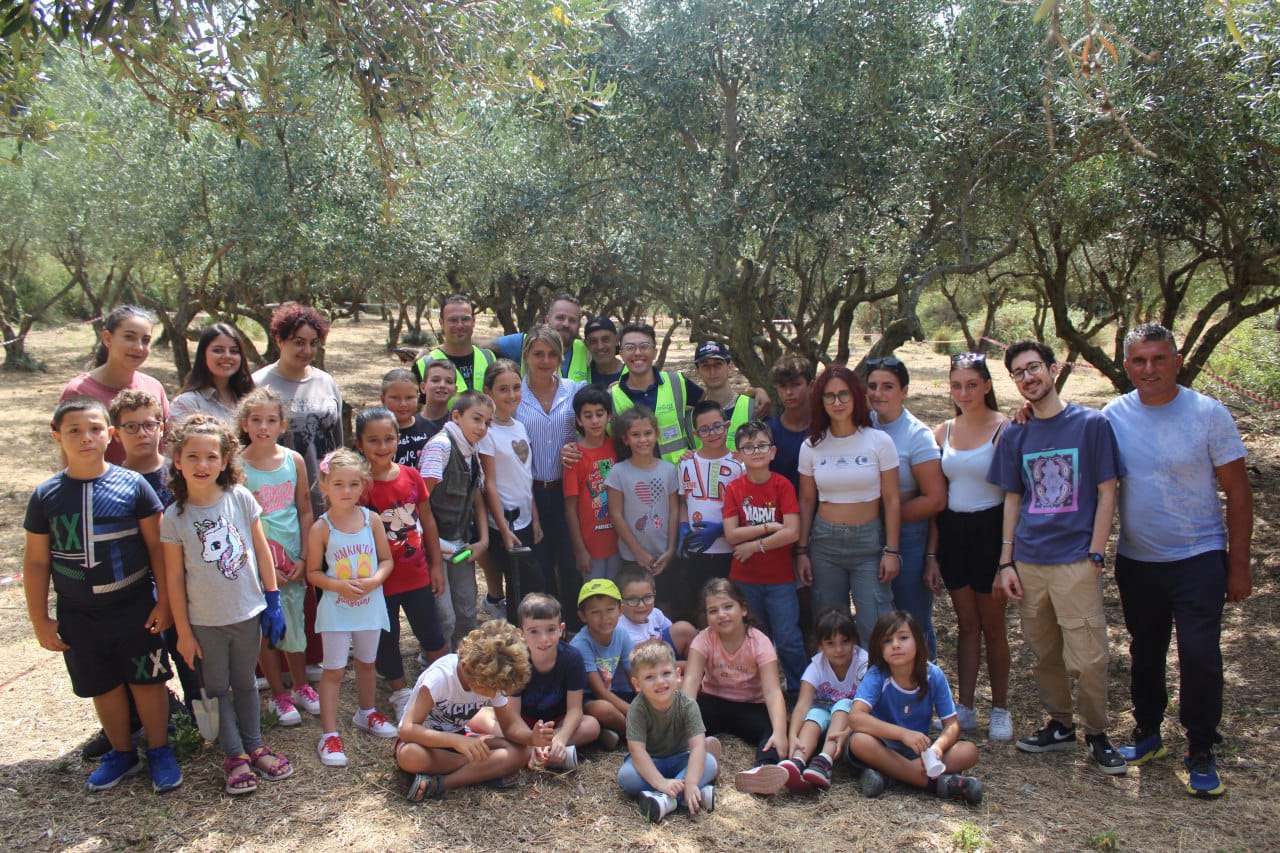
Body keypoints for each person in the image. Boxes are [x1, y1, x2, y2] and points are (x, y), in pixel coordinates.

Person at [1103, 324, 1253, 797]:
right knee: (1145, 651)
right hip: (1138, 559)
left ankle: (1201, 748)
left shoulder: (1208, 414)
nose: (1149, 369)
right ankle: (1148, 732)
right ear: (1127, 365)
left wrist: (1239, 564)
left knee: (1199, 655)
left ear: (1177, 361)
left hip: (1199, 557)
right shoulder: (1112, 416)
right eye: (1139, 360)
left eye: (1159, 358)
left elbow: (1238, 492)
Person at [23, 397, 182, 794]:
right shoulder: (46, 496)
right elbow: (37, 562)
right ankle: (122, 752)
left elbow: (157, 548)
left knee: (147, 680)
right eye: (74, 431)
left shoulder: (133, 486)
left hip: (135, 607)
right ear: (57, 436)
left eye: (95, 429)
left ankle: (159, 750)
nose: (86, 438)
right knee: (103, 685)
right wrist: (40, 619)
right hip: (79, 615)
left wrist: (164, 601)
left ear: (110, 434)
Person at [990, 340, 1126, 774]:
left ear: (1052, 369)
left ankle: (1097, 732)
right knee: (1044, 651)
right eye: (1018, 373)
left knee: (1088, 658)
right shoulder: (1016, 432)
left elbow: (1107, 491)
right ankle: (1061, 725)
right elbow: (1013, 498)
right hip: (1030, 562)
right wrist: (1006, 562)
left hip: (1076, 561)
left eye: (1033, 368)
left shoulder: (1091, 424)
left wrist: (1096, 552)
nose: (1027, 378)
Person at [162, 415, 291, 794]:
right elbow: (174, 579)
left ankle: (256, 746)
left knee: (247, 683)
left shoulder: (240, 498)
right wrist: (183, 633)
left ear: (224, 461)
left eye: (211, 456)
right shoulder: (174, 517)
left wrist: (272, 600)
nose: (202, 464)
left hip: (247, 613)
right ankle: (234, 755)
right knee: (218, 688)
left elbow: (262, 551)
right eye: (193, 456)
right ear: (178, 461)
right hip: (205, 623)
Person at [925, 353, 1012, 741]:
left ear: (987, 386)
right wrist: (932, 554)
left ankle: (1000, 708)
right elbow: (936, 498)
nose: (964, 393)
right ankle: (966, 706)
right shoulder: (942, 432)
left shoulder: (1005, 428)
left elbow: (1015, 493)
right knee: (966, 624)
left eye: (972, 384)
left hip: (991, 531)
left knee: (993, 625)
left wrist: (1007, 557)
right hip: (953, 534)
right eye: (957, 385)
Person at [352, 408, 448, 722]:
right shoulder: (359, 486)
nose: (382, 447)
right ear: (359, 444)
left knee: (431, 632)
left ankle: (444, 688)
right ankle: (399, 692)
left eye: (389, 439)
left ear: (398, 439)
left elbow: (428, 522)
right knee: (387, 638)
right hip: (379, 581)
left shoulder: (412, 476)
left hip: (416, 573)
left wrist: (436, 565)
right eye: (373, 440)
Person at [795, 365, 901, 648]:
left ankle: (875, 677)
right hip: (824, 544)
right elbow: (807, 500)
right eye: (829, 396)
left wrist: (892, 550)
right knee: (830, 628)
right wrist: (802, 551)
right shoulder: (811, 446)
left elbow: (892, 499)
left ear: (856, 396)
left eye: (844, 394)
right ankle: (835, 679)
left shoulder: (879, 441)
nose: (837, 402)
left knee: (876, 625)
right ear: (820, 401)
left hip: (869, 544)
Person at [306, 448, 398, 767]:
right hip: (337, 610)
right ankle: (329, 734)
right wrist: (338, 586)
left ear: (363, 484)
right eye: (339, 484)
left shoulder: (371, 520)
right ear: (324, 485)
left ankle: (366, 712)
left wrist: (375, 581)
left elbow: (386, 560)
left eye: (354, 484)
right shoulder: (321, 528)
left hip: (369, 607)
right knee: (333, 670)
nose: (347, 491)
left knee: (367, 663)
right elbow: (313, 573)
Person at [110, 390, 199, 712]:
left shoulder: (183, 472)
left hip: (189, 582)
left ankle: (200, 714)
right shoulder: (112, 481)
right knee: (146, 662)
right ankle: (159, 715)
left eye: (149, 425)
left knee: (192, 660)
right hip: (139, 589)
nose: (142, 434)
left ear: (162, 427)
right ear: (116, 433)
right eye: (131, 427)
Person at [398, 621, 552, 800]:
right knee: (410, 756)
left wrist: (531, 738)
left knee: (522, 752)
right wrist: (455, 741)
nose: (493, 694)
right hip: (427, 744)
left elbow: (509, 726)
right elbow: (406, 730)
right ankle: (484, 770)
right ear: (471, 669)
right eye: (490, 689)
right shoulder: (440, 677)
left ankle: (441, 784)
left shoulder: (493, 679)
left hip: (461, 742)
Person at [236, 387, 318, 726]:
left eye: (271, 420)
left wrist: (306, 556)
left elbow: (304, 509)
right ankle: (278, 693)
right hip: (258, 564)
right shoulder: (237, 465)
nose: (263, 427)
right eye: (256, 420)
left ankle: (300, 685)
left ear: (282, 425)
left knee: (295, 624)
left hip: (293, 559)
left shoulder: (293, 460)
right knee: (267, 629)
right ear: (244, 424)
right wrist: (260, 567)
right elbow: (238, 521)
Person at [846, 611, 982, 805]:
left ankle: (890, 776)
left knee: (969, 751)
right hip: (883, 747)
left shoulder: (934, 675)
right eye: (887, 641)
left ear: (918, 641)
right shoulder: (877, 675)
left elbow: (951, 724)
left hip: (919, 750)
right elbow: (856, 718)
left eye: (903, 638)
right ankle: (938, 784)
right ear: (879, 648)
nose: (895, 645)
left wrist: (938, 748)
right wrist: (903, 734)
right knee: (859, 741)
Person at [865, 356, 946, 659]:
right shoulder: (863, 423)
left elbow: (936, 499)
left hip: (909, 537)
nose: (878, 393)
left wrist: (888, 517)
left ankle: (926, 679)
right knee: (881, 618)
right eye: (872, 386)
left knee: (912, 620)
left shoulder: (917, 436)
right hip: (870, 536)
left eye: (888, 386)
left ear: (904, 391)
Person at [470, 593, 601, 772]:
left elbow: (575, 709)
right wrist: (530, 739)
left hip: (556, 722)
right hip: (522, 723)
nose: (544, 639)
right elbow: (513, 715)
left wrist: (561, 738)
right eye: (534, 631)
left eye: (551, 630)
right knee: (478, 717)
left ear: (561, 629)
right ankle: (537, 749)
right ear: (521, 634)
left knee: (591, 726)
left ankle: (540, 749)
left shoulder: (572, 658)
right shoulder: (516, 662)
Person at [721, 420, 806, 693]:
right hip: (745, 579)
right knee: (753, 638)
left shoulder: (783, 486)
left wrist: (754, 546)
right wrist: (769, 527)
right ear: (739, 455)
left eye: (761, 445)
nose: (756, 451)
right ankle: (758, 692)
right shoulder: (734, 488)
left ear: (773, 452)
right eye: (748, 447)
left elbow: (792, 532)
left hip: (780, 579)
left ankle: (798, 690)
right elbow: (731, 534)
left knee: (788, 638)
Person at [681, 578, 788, 785]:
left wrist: (780, 732)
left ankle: (763, 769)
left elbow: (772, 691)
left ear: (743, 609)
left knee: (774, 730)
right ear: (706, 617)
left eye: (728, 607)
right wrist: (684, 722)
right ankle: (696, 753)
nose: (721, 614)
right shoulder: (703, 639)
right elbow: (691, 681)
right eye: (713, 611)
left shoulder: (759, 642)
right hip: (713, 703)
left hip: (750, 706)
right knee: (683, 720)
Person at [517, 325, 589, 628]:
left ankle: (573, 627)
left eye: (551, 354)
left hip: (568, 491)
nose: (545, 361)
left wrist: (578, 446)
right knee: (539, 565)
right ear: (527, 356)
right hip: (530, 492)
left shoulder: (574, 390)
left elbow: (591, 427)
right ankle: (542, 629)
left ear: (560, 357)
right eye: (538, 354)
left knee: (571, 563)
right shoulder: (515, 394)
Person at [252, 302, 343, 520]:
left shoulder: (326, 382)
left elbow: (338, 442)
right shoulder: (258, 385)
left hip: (326, 494)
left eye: (313, 343)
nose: (307, 351)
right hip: (278, 498)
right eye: (299, 343)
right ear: (279, 340)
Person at [419, 390, 492, 649]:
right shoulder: (441, 446)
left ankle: (463, 662)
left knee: (466, 609)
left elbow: (477, 499)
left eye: (487, 422)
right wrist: (434, 547)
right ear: (457, 416)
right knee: (444, 617)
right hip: (434, 547)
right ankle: (436, 662)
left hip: (460, 545)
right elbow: (420, 500)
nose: (482, 427)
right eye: (476, 419)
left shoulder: (472, 450)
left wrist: (483, 541)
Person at [619, 639, 719, 823]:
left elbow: (698, 746)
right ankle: (693, 795)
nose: (660, 681)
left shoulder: (687, 704)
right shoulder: (637, 708)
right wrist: (661, 782)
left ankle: (666, 800)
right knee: (626, 777)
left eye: (666, 673)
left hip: (680, 758)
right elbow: (637, 750)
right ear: (637, 684)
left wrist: (691, 783)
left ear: (678, 675)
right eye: (650, 677)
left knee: (710, 762)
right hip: (651, 762)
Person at [771, 607, 869, 792]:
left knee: (844, 704)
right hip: (824, 719)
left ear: (855, 640)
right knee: (815, 713)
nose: (839, 649)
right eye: (830, 643)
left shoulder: (863, 663)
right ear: (820, 645)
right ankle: (798, 761)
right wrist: (793, 735)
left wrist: (848, 731)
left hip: (849, 724)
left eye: (845, 642)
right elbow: (803, 705)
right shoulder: (817, 665)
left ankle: (824, 761)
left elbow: (867, 706)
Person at [60, 305, 169, 465]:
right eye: (129, 337)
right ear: (108, 338)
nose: (138, 347)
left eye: (145, 340)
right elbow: (70, 459)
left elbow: (165, 446)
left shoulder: (154, 388)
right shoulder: (79, 391)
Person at [479, 360, 542, 621]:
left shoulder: (519, 426)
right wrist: (504, 530)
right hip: (505, 523)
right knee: (521, 587)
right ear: (488, 392)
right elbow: (489, 484)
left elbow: (525, 477)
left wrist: (535, 518)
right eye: (503, 389)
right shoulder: (487, 433)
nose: (511, 395)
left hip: (525, 519)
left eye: (516, 387)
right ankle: (517, 636)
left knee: (529, 587)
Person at [677, 400, 744, 614]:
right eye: (704, 429)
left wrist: (722, 528)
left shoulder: (739, 465)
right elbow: (683, 501)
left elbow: (745, 509)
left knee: (728, 604)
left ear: (727, 425)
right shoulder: (685, 463)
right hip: (696, 550)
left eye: (717, 426)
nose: (712, 433)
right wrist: (683, 528)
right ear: (695, 434)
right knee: (700, 606)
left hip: (729, 550)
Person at [605, 407, 680, 595]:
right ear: (626, 439)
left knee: (665, 602)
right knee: (636, 601)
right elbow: (615, 514)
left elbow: (674, 511)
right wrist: (638, 552)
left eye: (647, 433)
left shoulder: (669, 470)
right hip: (633, 557)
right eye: (635, 435)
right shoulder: (618, 472)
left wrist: (671, 549)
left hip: (664, 555)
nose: (643, 440)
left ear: (657, 435)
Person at [609, 323, 703, 464]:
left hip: (680, 472)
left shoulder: (678, 382)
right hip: (636, 475)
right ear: (621, 353)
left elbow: (706, 411)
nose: (637, 352)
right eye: (629, 347)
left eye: (644, 346)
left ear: (655, 352)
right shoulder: (610, 397)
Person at [564, 386, 620, 580]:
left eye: (600, 414)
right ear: (579, 420)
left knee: (618, 592)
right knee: (595, 593)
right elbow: (570, 508)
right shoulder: (574, 457)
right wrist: (580, 549)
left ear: (609, 416)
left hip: (620, 543)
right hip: (591, 547)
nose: (595, 420)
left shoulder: (618, 447)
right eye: (588, 416)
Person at [571, 579, 635, 745]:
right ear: (583, 616)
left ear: (621, 610)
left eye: (610, 610)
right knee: (603, 709)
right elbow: (598, 691)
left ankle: (612, 731)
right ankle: (637, 734)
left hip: (613, 693)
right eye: (595, 612)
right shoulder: (581, 643)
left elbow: (635, 678)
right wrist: (636, 713)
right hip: (587, 699)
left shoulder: (621, 634)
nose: (604, 617)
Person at [490, 293, 592, 383]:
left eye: (572, 320)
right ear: (547, 321)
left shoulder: (587, 350)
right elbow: (482, 347)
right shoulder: (522, 343)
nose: (566, 324)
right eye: (560, 318)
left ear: (579, 325)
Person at [170, 322, 255, 424]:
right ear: (203, 355)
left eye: (234, 351)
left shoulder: (250, 399)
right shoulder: (187, 403)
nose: (227, 356)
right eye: (218, 350)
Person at [414, 294, 495, 394]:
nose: (460, 325)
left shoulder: (489, 358)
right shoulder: (424, 364)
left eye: (465, 319)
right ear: (441, 323)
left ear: (473, 321)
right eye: (453, 320)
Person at [615, 565, 697, 658]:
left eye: (647, 597)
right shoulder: (618, 630)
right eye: (632, 599)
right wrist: (686, 664)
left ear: (654, 593)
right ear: (619, 600)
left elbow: (673, 633)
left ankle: (697, 663)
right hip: (640, 664)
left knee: (683, 629)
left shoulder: (655, 613)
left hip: (663, 657)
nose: (641, 605)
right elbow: (635, 664)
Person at [764, 354, 815, 492]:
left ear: (811, 386)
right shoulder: (768, 432)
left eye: (796, 385)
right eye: (783, 386)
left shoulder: (826, 428)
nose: (788, 392)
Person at [693, 342, 756, 451]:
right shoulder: (691, 418)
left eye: (718, 364)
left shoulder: (753, 408)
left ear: (730, 366)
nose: (712, 372)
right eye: (705, 366)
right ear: (697, 371)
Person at [380, 368, 436, 471]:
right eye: (395, 398)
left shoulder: (431, 430)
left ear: (418, 397)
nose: (403, 404)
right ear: (383, 399)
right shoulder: (373, 431)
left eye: (409, 397)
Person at [418, 358, 457, 437]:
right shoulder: (409, 423)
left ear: (455, 390)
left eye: (449, 382)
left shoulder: (458, 426)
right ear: (423, 387)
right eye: (435, 380)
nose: (442, 385)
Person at [584, 316, 625, 388]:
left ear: (616, 340)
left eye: (605, 340)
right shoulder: (582, 375)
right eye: (593, 341)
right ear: (587, 345)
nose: (600, 347)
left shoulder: (631, 374)